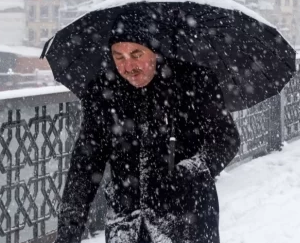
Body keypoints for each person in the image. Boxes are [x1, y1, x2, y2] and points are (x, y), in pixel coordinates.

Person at [55, 21, 241, 243]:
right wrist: (68, 233)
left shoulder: (194, 81)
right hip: (126, 223)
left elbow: (226, 139)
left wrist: (189, 173)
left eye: (136, 54)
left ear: (155, 51)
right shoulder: (102, 92)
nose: (128, 66)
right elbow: (84, 166)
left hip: (188, 219)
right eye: (119, 57)